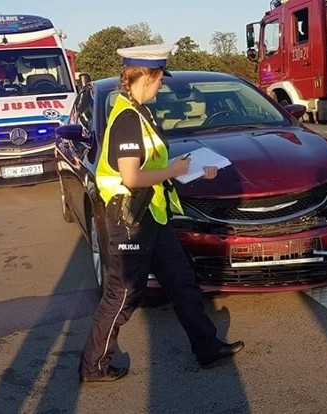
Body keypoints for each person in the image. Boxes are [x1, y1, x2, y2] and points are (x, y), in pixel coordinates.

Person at [79, 44, 244, 383]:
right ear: (148, 77)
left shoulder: (140, 113)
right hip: (131, 222)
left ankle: (207, 347)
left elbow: (150, 165)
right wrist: (173, 171)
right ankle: (93, 366)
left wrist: (188, 169)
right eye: (160, 80)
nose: (162, 87)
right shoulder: (126, 119)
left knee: (182, 284)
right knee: (122, 295)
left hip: (153, 215)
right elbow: (131, 177)